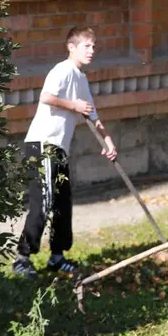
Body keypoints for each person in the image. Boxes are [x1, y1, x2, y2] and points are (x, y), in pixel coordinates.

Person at [12, 27, 118, 279]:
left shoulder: (81, 78)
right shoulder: (62, 70)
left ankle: (56, 257)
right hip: (42, 145)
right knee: (44, 201)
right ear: (71, 47)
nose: (92, 51)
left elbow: (92, 114)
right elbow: (46, 97)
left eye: (94, 46)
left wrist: (108, 141)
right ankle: (22, 259)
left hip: (59, 148)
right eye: (87, 46)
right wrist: (73, 105)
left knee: (62, 203)